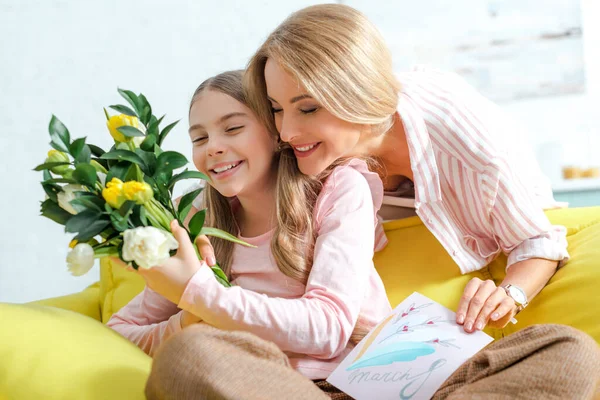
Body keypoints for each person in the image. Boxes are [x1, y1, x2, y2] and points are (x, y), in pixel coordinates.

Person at [243, 3, 570, 334]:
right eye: (276, 109)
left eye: (308, 108)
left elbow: (539, 240)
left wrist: (509, 294)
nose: (286, 133)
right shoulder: (311, 154)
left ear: (355, 93)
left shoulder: (465, 137)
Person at [107, 70, 392, 395]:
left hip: (359, 381)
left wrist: (200, 292)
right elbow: (120, 330)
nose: (213, 147)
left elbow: (329, 328)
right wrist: (188, 321)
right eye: (199, 138)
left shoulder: (338, 188)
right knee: (186, 355)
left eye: (233, 128)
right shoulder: (196, 218)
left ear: (276, 133)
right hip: (262, 385)